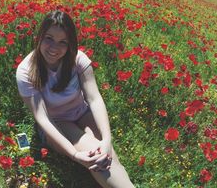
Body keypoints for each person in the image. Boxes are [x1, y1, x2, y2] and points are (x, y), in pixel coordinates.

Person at [16, 10, 134, 188]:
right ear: (39, 36)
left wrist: (107, 140)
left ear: (70, 43)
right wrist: (74, 154)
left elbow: (94, 99)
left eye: (62, 42)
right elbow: (43, 118)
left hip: (82, 113)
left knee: (105, 154)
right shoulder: (26, 71)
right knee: (97, 155)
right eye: (49, 38)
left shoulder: (78, 59)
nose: (54, 48)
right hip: (56, 124)